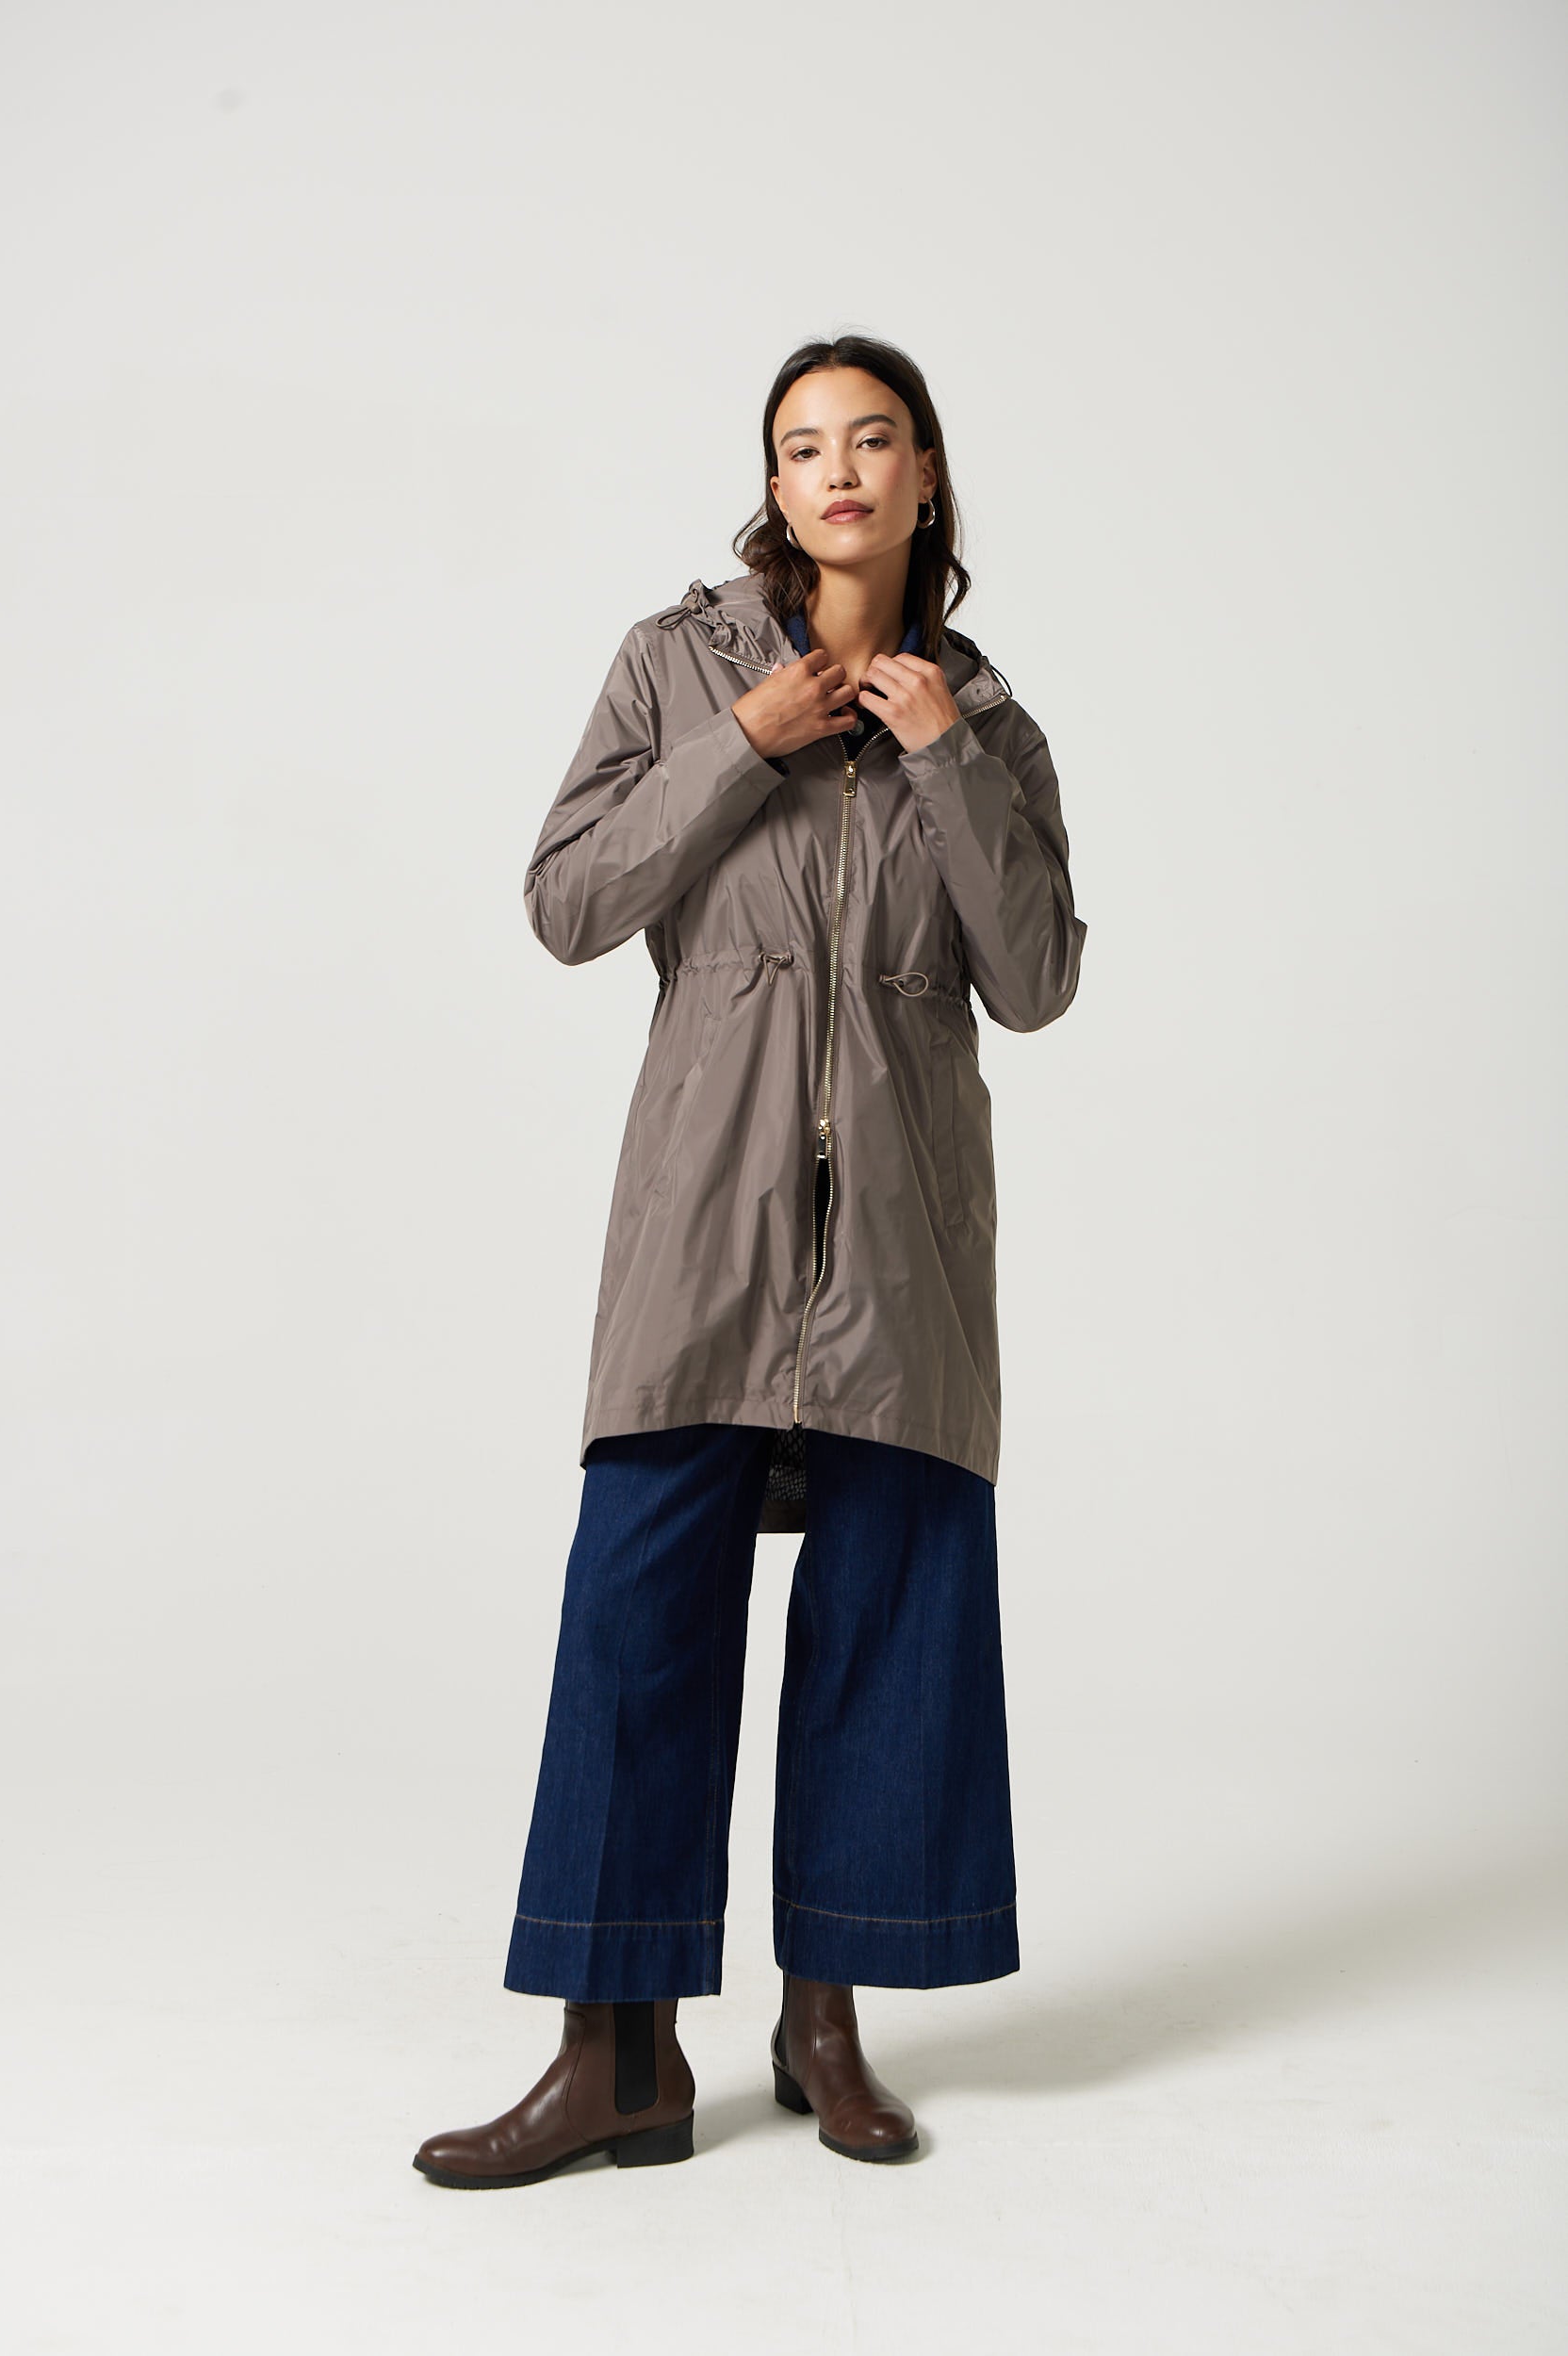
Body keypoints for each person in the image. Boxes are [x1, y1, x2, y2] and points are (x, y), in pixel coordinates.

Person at [413, 333, 1088, 2188]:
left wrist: (942, 758)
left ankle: (825, 2025)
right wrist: (745, 743)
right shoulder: (676, 664)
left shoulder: (993, 722)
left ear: (926, 476)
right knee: (637, 1612)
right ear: (774, 484)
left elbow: (1036, 979)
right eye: (805, 445)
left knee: (888, 1615)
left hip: (903, 1244)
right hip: (705, 1219)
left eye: (874, 439)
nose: (840, 470)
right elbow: (568, 902)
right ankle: (616, 2059)